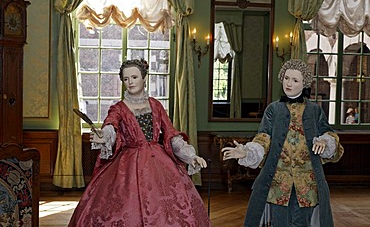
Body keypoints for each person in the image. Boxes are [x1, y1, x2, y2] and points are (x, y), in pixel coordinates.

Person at [69, 59, 212, 227]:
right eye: (126, 79)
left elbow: (171, 135)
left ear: (144, 78)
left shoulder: (156, 105)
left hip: (159, 162)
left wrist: (191, 156)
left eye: (134, 77)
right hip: (128, 165)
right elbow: (111, 125)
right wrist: (104, 136)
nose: (130, 82)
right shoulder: (119, 108)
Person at [222, 59, 344, 227]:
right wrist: (248, 152)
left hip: (308, 182)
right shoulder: (273, 109)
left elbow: (329, 133)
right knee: (280, 223)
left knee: (302, 223)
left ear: (304, 83)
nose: (289, 83)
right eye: (286, 78)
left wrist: (325, 141)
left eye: (295, 80)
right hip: (279, 181)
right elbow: (263, 137)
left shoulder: (315, 110)